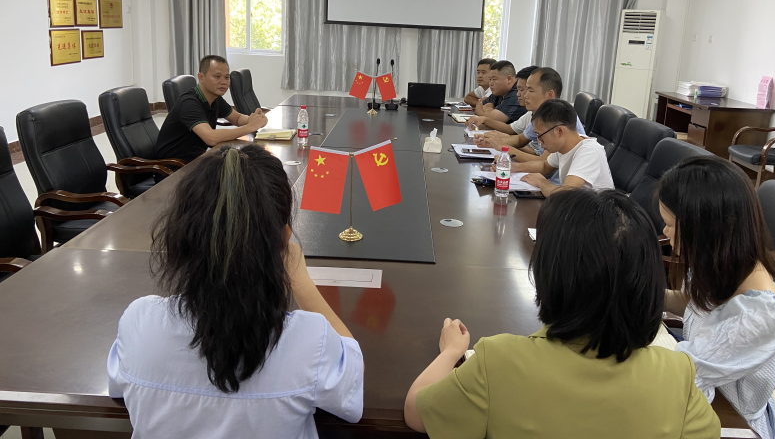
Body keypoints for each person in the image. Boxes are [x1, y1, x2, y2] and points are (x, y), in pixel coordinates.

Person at [404, 189, 720, 439]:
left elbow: (416, 413)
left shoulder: (498, 362)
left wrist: (451, 352)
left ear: (549, 275)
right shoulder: (678, 374)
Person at [107, 145, 363, 438]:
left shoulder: (139, 324)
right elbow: (352, 383)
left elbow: (117, 385)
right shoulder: (310, 340)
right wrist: (300, 281)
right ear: (284, 239)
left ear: (182, 235)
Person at [659, 157, 775, 439]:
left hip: (732, 420)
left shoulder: (761, 314)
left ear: (704, 231)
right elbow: (697, 305)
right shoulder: (720, 265)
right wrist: (653, 297)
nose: (664, 232)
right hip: (704, 391)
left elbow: (685, 372)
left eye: (670, 225)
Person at [155, 55, 268, 162]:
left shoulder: (215, 99)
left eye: (227, 77)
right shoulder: (189, 103)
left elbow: (237, 118)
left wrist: (254, 119)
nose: (223, 82)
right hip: (174, 167)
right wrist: (250, 127)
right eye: (217, 77)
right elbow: (211, 138)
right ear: (201, 77)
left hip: (196, 159)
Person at [476, 67, 585, 160]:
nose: (525, 95)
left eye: (531, 91)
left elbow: (543, 162)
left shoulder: (559, 118)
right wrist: (491, 141)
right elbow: (520, 140)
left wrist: (502, 147)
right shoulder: (541, 114)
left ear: (549, 95)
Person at [513, 99, 613, 196]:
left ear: (559, 131)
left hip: (595, 207)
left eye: (540, 135)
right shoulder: (564, 146)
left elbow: (564, 194)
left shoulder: (589, 151)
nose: (539, 141)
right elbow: (544, 166)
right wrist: (515, 167)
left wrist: (541, 182)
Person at [467, 66, 537, 135]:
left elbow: (493, 118)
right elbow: (510, 130)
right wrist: (485, 118)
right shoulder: (530, 114)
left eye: (494, 79)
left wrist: (486, 117)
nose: (518, 94)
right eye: (490, 79)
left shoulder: (541, 116)